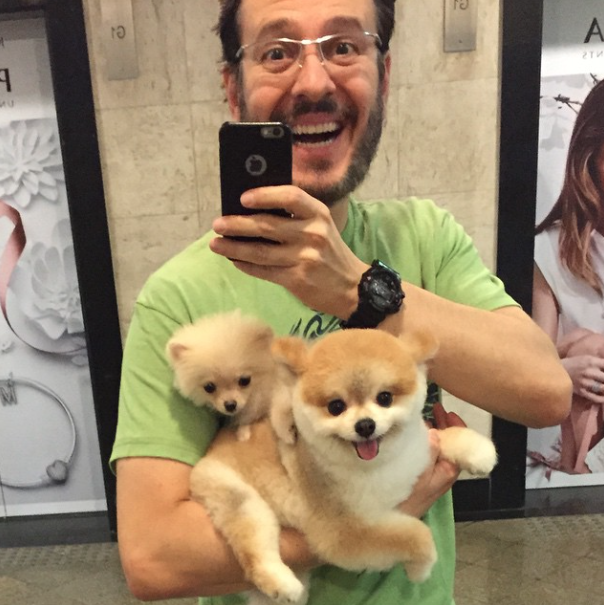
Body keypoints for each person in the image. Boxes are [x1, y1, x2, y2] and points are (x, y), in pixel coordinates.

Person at [111, 0, 571, 603]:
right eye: (277, 53)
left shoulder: (424, 237)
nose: (314, 81)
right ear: (233, 88)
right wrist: (366, 521)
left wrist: (358, 287)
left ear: (384, 74)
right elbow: (154, 558)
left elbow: (546, 392)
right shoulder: (181, 295)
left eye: (343, 47)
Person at [531, 78, 604, 475]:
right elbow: (533, 365)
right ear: (590, 156)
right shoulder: (549, 251)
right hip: (579, 446)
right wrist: (565, 373)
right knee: (584, 350)